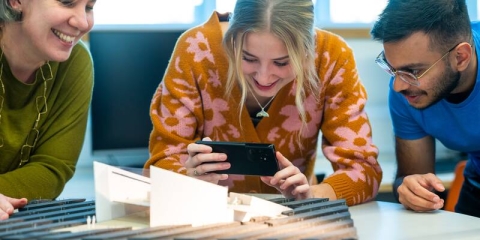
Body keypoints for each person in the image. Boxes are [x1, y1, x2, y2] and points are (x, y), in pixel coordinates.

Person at [146, 0, 382, 205]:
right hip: (205, 216)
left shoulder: (332, 57)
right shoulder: (196, 50)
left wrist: (313, 194)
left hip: (291, 223)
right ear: (231, 40)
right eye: (248, 58)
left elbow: (364, 170)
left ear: (309, 51)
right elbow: (159, 164)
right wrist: (186, 178)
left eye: (282, 63)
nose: (263, 77)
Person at [371, 0, 480, 217]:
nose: (399, 85)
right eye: (392, 69)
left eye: (413, 70)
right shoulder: (406, 91)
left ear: (461, 57)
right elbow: (413, 176)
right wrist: (411, 189)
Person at [0, 0, 96, 219]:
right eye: (66, 2)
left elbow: (52, 168)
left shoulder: (76, 63)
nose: (82, 21)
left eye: (89, 7)